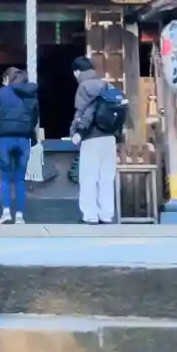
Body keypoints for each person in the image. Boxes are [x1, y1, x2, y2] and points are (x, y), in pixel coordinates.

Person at [68, 55, 127, 225]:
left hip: (91, 138)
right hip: (109, 139)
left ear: (77, 72)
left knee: (88, 178)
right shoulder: (107, 85)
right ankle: (106, 214)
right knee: (106, 178)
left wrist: (77, 132)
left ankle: (90, 215)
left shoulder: (84, 87)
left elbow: (83, 112)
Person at [0, 66, 38, 224]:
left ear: (7, 79)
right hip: (24, 139)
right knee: (20, 179)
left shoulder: (3, 92)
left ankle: (6, 212)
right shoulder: (31, 93)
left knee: (4, 177)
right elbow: (35, 116)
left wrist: (1, 121)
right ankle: (20, 216)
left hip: (5, 137)